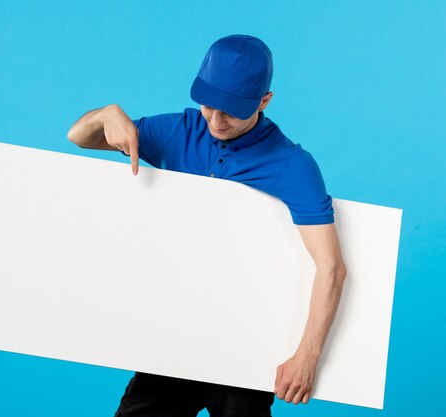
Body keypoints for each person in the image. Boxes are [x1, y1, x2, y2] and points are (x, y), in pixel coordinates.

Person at [67, 34, 346, 417]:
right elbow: (79, 137)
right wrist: (105, 114)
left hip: (244, 349)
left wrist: (307, 356)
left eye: (231, 111)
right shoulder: (179, 132)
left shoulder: (292, 165)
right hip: (175, 335)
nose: (216, 121)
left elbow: (331, 266)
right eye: (209, 105)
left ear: (264, 102)